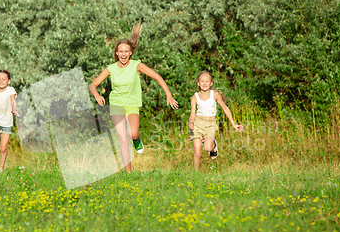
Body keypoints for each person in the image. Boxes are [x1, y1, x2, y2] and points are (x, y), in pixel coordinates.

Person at [89, 22, 179, 173]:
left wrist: (168, 95)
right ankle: (128, 173)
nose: (123, 54)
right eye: (120, 51)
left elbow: (157, 77)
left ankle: (137, 140)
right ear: (116, 53)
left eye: (126, 51)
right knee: (123, 140)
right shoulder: (110, 68)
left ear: (130, 53)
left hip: (132, 104)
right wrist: (97, 95)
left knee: (133, 134)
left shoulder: (136, 65)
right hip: (117, 104)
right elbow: (93, 85)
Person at [188, 71, 243, 171]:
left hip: (210, 124)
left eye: (207, 81)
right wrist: (191, 122)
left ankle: (213, 146)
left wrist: (234, 124)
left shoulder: (215, 95)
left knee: (207, 148)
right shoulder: (194, 97)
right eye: (202, 81)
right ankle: (195, 174)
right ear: (198, 83)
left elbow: (225, 108)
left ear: (211, 83)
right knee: (197, 151)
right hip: (198, 123)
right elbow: (192, 114)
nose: (204, 83)